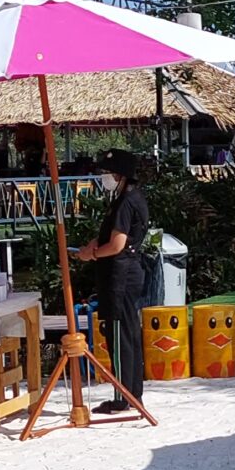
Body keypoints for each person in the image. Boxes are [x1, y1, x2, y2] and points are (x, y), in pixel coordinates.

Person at [73, 149, 149, 408]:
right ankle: (131, 393)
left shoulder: (126, 201)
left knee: (119, 336)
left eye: (107, 173)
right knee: (127, 334)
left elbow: (116, 245)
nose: (104, 177)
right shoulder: (127, 198)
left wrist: (91, 254)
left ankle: (123, 397)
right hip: (125, 274)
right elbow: (109, 235)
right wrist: (94, 244)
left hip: (121, 276)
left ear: (119, 175)